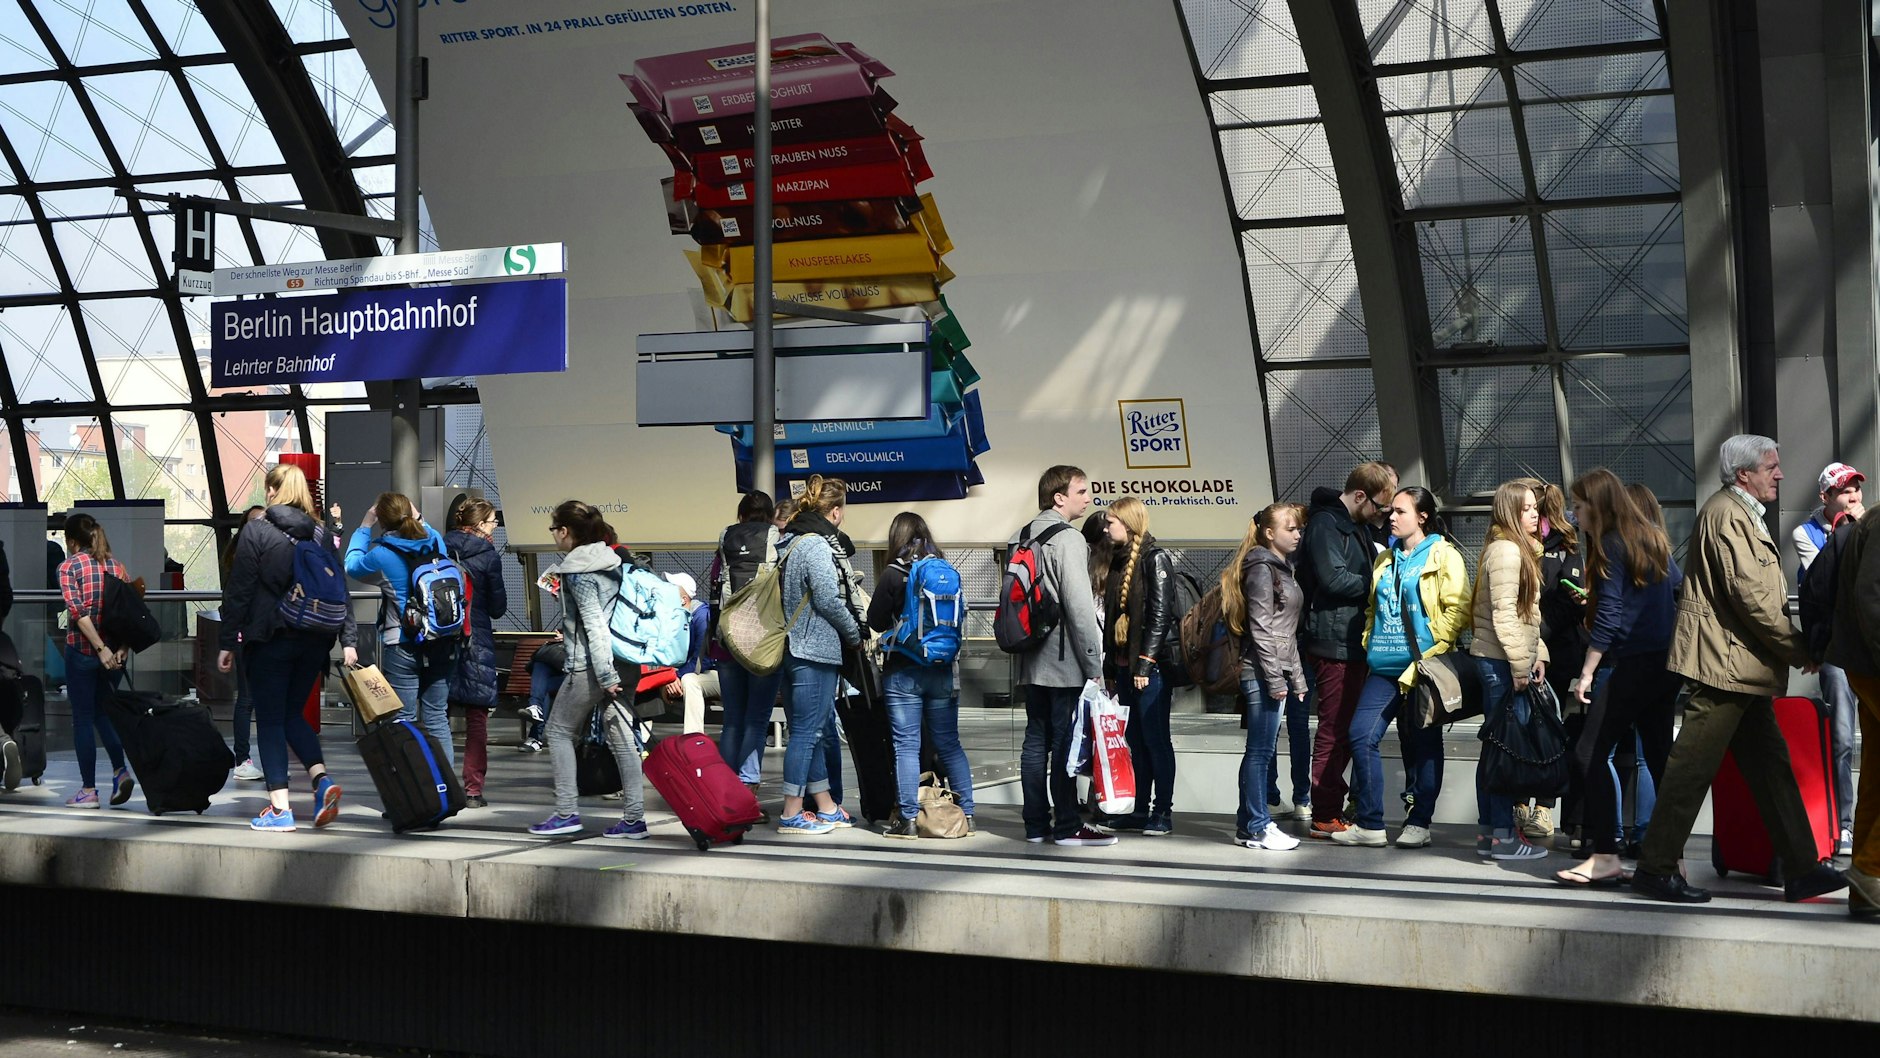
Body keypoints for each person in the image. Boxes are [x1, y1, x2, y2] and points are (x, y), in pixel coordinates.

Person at [1630, 435, 1846, 903]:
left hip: (1739, 668)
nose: (1781, 474)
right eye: (1772, 467)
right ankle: (1655, 867)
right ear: (1743, 473)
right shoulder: (1729, 514)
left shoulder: (1739, 513)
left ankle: (1803, 868)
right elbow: (1750, 597)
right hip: (1724, 667)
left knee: (1773, 769)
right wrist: (1798, 648)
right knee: (1691, 770)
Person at [1549, 470, 1680, 883]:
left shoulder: (1609, 543)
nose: (1574, 513)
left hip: (1634, 664)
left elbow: (1608, 617)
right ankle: (1670, 858)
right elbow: (1676, 585)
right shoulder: (1651, 538)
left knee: (1588, 753)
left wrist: (1586, 673)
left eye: (1579, 505)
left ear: (1599, 505)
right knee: (1660, 759)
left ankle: (1605, 854)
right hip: (1664, 664)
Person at [216, 464, 355, 831]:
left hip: (271, 637)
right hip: (315, 640)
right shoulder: (322, 534)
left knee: (271, 721)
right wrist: (348, 638)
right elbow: (339, 587)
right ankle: (321, 779)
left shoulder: (257, 531)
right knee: (293, 714)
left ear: (273, 490)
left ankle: (280, 810)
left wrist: (228, 641)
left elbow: (239, 591)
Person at [1334, 486, 1468, 848]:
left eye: (1400, 511)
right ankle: (1371, 823)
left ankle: (1419, 821)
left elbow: (1458, 610)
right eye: (1390, 511)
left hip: (1424, 666)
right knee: (1362, 734)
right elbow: (1372, 609)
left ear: (1422, 517)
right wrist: (1369, 639)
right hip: (1384, 665)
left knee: (1423, 743)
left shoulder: (1443, 555)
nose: (1391, 517)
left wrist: (1431, 649)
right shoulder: (1385, 559)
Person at [528, 501, 648, 838]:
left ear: (565, 531)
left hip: (594, 667)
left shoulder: (580, 570)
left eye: (554, 529)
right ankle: (634, 819)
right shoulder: (613, 561)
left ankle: (566, 812)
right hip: (627, 659)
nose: (553, 535)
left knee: (558, 731)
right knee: (623, 738)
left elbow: (595, 626)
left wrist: (605, 675)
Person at [1014, 466, 1114, 847]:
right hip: (1064, 661)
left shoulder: (1020, 536)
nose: (1088, 498)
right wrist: (1095, 665)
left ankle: (1036, 823)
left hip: (1029, 657)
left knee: (1035, 742)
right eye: (1081, 491)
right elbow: (1080, 608)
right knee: (1065, 743)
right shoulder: (1069, 540)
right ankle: (1068, 824)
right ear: (1059, 497)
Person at [1300, 461, 1397, 839]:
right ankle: (1325, 811)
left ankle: (1330, 809)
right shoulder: (1327, 524)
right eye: (1378, 506)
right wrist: (1380, 581)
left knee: (1341, 728)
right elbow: (1334, 578)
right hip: (1334, 641)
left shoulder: (1348, 523)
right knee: (1334, 728)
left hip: (1348, 640)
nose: (1381, 515)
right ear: (1360, 496)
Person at [867, 511, 975, 839]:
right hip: (942, 670)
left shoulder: (893, 573)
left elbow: (875, 620)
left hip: (904, 672)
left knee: (906, 745)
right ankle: (968, 815)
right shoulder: (944, 569)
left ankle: (908, 820)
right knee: (950, 744)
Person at [773, 475, 864, 834]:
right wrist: (854, 633)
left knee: (804, 731)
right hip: (814, 650)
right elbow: (828, 599)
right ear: (836, 513)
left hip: (791, 648)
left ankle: (825, 806)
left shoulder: (788, 541)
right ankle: (791, 812)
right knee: (807, 735)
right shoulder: (816, 546)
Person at [1468, 481, 1551, 860]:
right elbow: (1504, 612)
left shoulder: (1516, 549)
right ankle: (1502, 835)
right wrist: (1521, 663)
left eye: (1536, 507)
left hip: (1505, 659)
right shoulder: (1505, 551)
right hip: (1500, 662)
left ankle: (1491, 834)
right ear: (1509, 512)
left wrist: (1539, 653)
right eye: (1527, 508)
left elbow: (1526, 614)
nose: (1535, 514)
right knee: (1504, 751)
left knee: (1496, 749)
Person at [345, 493, 458, 765]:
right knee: (436, 716)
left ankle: (416, 790)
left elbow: (351, 565)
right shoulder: (435, 543)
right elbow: (427, 531)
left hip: (403, 643)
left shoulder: (383, 555)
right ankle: (446, 788)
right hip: (443, 640)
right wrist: (418, 517)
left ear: (382, 521)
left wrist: (364, 525)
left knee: (404, 719)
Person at [1227, 503, 1308, 851]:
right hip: (1262, 672)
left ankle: (1249, 824)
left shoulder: (1280, 568)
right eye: (1290, 528)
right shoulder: (1262, 568)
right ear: (1269, 533)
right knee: (1260, 752)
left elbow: (1284, 631)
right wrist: (1278, 681)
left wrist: (1298, 679)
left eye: (1298, 529)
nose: (1297, 534)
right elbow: (1261, 629)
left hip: (1273, 669)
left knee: (1259, 751)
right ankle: (1259, 825)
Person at [1095, 496, 1178, 835]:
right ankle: (1139, 809)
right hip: (1125, 668)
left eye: (1110, 521)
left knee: (1156, 739)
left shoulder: (1154, 559)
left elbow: (1161, 615)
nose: (1105, 527)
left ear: (1127, 525)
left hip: (1150, 670)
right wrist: (1113, 672)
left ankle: (1163, 811)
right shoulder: (1118, 561)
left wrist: (1144, 664)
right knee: (1135, 741)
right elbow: (1112, 617)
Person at [1795, 462, 1864, 858]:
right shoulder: (1806, 534)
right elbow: (1830, 580)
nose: (1853, 497)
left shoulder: (1868, 524)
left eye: (1856, 489)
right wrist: (1848, 531)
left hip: (1867, 644)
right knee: (1841, 738)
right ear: (1826, 498)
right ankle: (1844, 823)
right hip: (1838, 650)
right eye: (1844, 491)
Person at [1824, 503, 1880, 918]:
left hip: (1866, 664)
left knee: (1876, 775)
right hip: (1874, 664)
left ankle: (1865, 890)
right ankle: (1870, 869)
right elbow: (1871, 597)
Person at [710, 491, 782, 807]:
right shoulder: (777, 539)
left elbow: (715, 589)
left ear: (741, 516)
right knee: (757, 718)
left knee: (733, 720)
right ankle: (747, 785)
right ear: (768, 516)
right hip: (762, 643)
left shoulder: (725, 540)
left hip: (727, 642)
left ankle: (726, 787)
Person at [56, 513, 133, 809]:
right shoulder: (116, 566)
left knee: (83, 720)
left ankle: (88, 790)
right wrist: (121, 647)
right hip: (115, 656)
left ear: (72, 541)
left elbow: (78, 612)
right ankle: (120, 770)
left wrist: (98, 648)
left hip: (84, 653)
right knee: (104, 715)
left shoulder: (69, 567)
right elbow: (131, 610)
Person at [445, 500, 508, 809]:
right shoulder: (488, 556)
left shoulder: (438, 547)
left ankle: (437, 783)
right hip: (476, 640)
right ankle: (472, 789)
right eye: (493, 522)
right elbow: (498, 608)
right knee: (477, 721)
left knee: (434, 715)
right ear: (480, 525)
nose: (495, 527)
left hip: (439, 640)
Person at [222, 504, 268, 781]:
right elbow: (235, 601)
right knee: (248, 698)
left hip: (256, 634)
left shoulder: (245, 555)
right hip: (246, 636)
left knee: (254, 699)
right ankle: (243, 758)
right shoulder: (243, 558)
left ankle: (252, 758)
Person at [661, 572, 720, 734]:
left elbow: (701, 662)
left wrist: (674, 676)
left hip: (717, 674)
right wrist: (667, 677)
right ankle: (639, 740)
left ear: (683, 599)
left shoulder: (702, 617)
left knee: (689, 680)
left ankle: (694, 737)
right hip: (694, 672)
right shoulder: (676, 618)